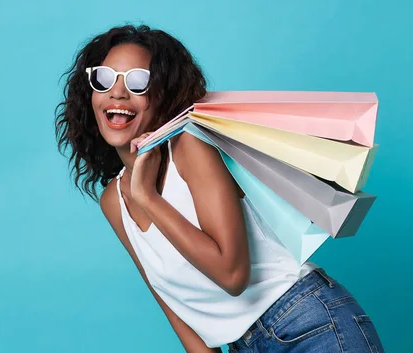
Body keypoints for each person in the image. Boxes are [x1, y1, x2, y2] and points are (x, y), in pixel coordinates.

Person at [54, 24, 385, 353]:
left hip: (309, 324)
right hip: (244, 346)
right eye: (105, 79)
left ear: (161, 96)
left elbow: (232, 274)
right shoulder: (114, 201)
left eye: (139, 82)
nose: (118, 93)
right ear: (91, 94)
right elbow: (174, 307)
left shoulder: (189, 146)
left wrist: (149, 198)